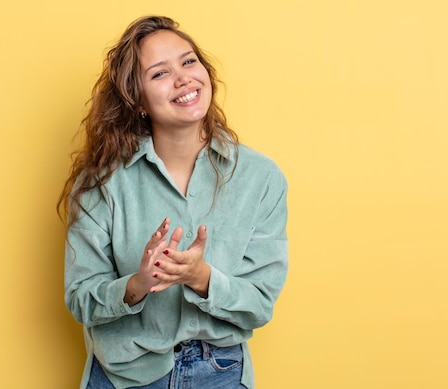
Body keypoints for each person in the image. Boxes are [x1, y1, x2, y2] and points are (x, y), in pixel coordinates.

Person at [58, 15, 288, 389]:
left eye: (188, 61)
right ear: (138, 101)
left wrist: (201, 277)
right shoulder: (101, 182)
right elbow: (80, 298)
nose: (183, 79)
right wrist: (137, 283)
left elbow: (260, 303)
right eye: (159, 74)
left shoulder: (260, 177)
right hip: (125, 375)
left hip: (221, 373)